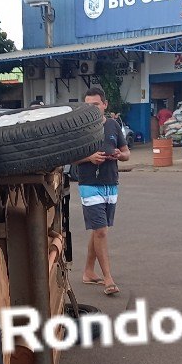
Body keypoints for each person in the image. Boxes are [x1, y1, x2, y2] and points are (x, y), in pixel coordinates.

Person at [75, 86, 129, 296]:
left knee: (99, 229)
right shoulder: (80, 127)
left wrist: (119, 155)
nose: (92, 108)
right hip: (89, 184)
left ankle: (88, 272)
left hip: (111, 183)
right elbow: (70, 158)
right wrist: (89, 158)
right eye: (88, 105)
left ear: (105, 105)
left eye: (96, 104)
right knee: (101, 231)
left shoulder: (113, 125)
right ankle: (108, 278)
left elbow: (127, 153)